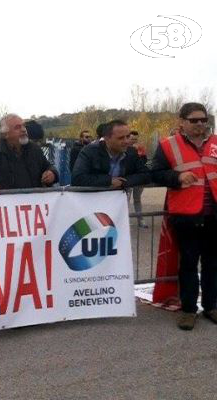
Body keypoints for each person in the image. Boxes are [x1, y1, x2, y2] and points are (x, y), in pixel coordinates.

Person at [151, 102, 217, 331]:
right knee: (188, 264)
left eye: (203, 120)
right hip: (186, 214)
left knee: (213, 263)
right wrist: (177, 178)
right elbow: (156, 173)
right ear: (182, 122)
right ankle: (189, 310)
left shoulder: (216, 143)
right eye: (194, 120)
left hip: (214, 214)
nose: (200, 124)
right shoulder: (167, 145)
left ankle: (211, 306)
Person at [0, 114, 58, 189]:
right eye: (17, 127)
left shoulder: (35, 150)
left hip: (32, 207)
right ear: (5, 134)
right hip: (3, 208)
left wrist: (52, 174)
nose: (23, 129)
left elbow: (48, 167)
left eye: (24, 126)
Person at [71, 120, 151, 189]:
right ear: (106, 139)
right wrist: (109, 181)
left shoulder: (131, 152)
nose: (126, 141)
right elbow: (77, 178)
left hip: (119, 202)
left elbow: (146, 175)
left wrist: (123, 182)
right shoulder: (89, 151)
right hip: (92, 202)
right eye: (121, 138)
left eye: (128, 136)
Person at [129, 130, 149, 228]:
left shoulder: (141, 148)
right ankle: (125, 220)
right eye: (132, 139)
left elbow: (145, 161)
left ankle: (140, 220)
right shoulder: (125, 148)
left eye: (135, 139)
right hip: (128, 178)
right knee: (125, 200)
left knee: (137, 199)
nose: (133, 141)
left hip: (138, 178)